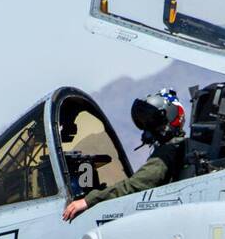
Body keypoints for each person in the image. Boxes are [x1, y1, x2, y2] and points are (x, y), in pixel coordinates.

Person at [62, 89, 188, 221]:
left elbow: (135, 185)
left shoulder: (168, 151)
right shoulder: (175, 148)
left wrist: (88, 200)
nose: (148, 130)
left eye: (153, 122)